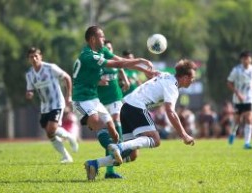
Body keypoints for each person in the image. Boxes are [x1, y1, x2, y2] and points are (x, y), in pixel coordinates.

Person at [84, 59, 196, 180]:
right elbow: (170, 111)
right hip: (136, 106)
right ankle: (119, 147)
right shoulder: (172, 87)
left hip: (126, 106)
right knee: (155, 140)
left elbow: (155, 75)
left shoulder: (166, 76)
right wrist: (184, 135)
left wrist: (150, 72)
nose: (192, 81)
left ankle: (94, 164)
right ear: (184, 77)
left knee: (131, 154)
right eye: (192, 78)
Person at [71, 26, 154, 173]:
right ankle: (112, 155)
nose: (104, 38)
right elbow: (117, 64)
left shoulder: (102, 51)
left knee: (113, 131)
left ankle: (105, 162)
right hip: (81, 98)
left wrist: (143, 68)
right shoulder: (88, 55)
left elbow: (120, 60)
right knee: (98, 123)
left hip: (94, 98)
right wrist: (140, 60)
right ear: (92, 39)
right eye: (101, 36)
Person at [25, 47, 78, 163]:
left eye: (36, 56)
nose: (34, 59)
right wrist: (29, 93)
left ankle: (70, 137)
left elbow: (67, 78)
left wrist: (68, 96)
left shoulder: (50, 68)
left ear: (40, 57)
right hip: (44, 106)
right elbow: (29, 90)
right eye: (31, 57)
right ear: (29, 59)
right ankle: (66, 156)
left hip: (57, 103)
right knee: (50, 134)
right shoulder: (29, 74)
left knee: (52, 129)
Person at [96, 40, 130, 179]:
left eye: (110, 48)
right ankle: (109, 171)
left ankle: (119, 145)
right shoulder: (97, 63)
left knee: (116, 121)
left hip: (116, 98)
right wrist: (98, 81)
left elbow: (121, 67)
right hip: (100, 101)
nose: (108, 51)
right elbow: (86, 79)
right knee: (109, 135)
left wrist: (126, 80)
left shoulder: (114, 60)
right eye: (106, 49)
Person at [227, 51, 252, 149]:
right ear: (241, 59)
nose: (246, 60)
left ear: (251, 59)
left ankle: (247, 142)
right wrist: (238, 94)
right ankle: (232, 133)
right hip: (238, 99)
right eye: (244, 58)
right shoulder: (236, 70)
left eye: (248, 58)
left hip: (249, 98)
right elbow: (229, 83)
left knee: (249, 119)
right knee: (237, 120)